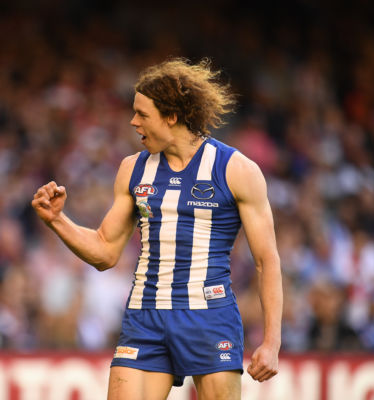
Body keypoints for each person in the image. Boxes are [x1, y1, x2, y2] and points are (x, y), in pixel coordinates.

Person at [32, 58, 282, 400]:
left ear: (172, 116)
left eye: (142, 114)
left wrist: (271, 341)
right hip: (145, 316)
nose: (133, 122)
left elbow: (266, 261)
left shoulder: (236, 170)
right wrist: (57, 220)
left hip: (209, 317)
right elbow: (105, 252)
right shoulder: (132, 169)